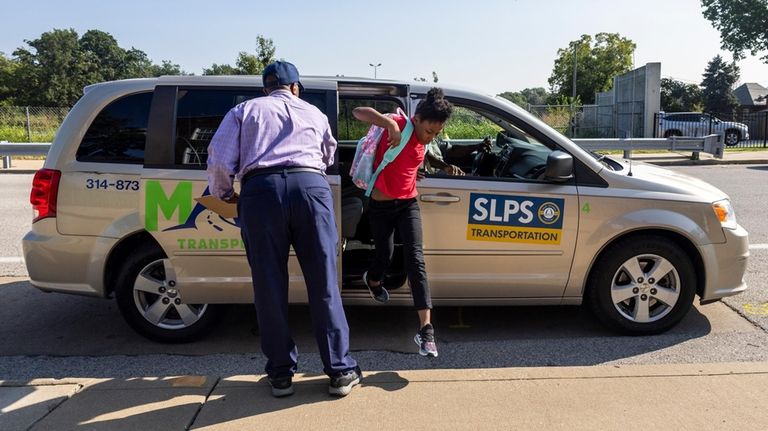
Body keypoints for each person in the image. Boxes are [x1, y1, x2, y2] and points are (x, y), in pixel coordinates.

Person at [206, 61, 361, 398]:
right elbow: (329, 154)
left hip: (261, 192)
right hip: (310, 188)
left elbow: (218, 158)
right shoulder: (315, 113)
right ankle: (340, 371)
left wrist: (224, 193)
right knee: (323, 282)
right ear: (296, 87)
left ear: (266, 88)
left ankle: (280, 375)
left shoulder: (245, 110)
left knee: (269, 285)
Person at [352, 88, 454, 358]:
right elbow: (358, 112)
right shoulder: (399, 124)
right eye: (428, 131)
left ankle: (426, 332)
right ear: (416, 119)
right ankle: (372, 280)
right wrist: (388, 124)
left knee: (416, 260)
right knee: (385, 255)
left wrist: (420, 170)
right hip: (382, 206)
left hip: (408, 203)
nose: (430, 137)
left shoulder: (424, 141)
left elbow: (411, 159)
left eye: (436, 133)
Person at [424, 134, 492, 175]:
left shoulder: (434, 140)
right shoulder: (420, 138)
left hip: (440, 173)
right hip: (431, 177)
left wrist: (476, 147)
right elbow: (425, 156)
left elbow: (452, 150)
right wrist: (446, 167)